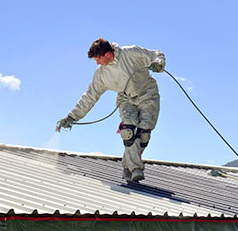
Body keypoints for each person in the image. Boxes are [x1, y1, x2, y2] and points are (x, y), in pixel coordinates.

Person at [57, 38, 165, 182]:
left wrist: (158, 63)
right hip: (125, 98)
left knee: (144, 133)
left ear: (108, 54)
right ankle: (136, 169)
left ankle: (127, 165)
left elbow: (156, 54)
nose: (97, 63)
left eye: (98, 59)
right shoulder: (101, 74)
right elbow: (89, 96)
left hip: (148, 93)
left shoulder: (130, 53)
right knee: (128, 131)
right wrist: (72, 117)